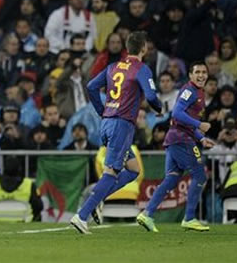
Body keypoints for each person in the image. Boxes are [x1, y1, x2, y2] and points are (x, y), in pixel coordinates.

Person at [70, 31, 162, 234]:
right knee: (111, 172)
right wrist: (159, 108)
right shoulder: (142, 68)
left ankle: (96, 199)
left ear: (127, 48)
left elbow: (92, 86)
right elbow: (151, 95)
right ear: (144, 48)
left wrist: (102, 111)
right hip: (121, 125)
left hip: (107, 122)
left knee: (133, 170)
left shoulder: (113, 66)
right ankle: (82, 215)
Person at [137, 61, 216, 232]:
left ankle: (147, 213)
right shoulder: (189, 91)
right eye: (197, 72)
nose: (201, 75)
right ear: (190, 75)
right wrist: (199, 124)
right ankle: (189, 218)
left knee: (172, 179)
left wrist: (201, 139)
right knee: (200, 175)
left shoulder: (198, 92)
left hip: (176, 137)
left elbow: (183, 122)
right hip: (181, 140)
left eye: (204, 72)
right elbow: (177, 113)